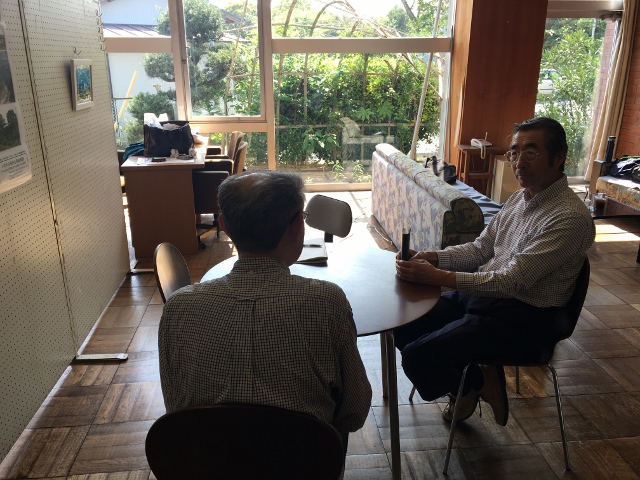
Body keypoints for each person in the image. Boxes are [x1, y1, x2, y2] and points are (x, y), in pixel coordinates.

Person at [394, 117, 595, 426]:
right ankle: (474, 379)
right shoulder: (519, 198)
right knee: (403, 322)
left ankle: (471, 385)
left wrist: (438, 278)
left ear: (558, 158)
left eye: (531, 152)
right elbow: (480, 250)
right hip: (486, 299)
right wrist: (432, 258)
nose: (519, 162)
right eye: (514, 152)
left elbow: (512, 282)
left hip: (525, 320)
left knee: (417, 357)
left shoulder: (569, 218)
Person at [158, 170, 372, 458]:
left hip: (204, 465)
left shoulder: (178, 308)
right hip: (304, 466)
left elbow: (175, 406)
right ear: (298, 226)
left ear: (224, 226)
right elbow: (354, 412)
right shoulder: (327, 303)